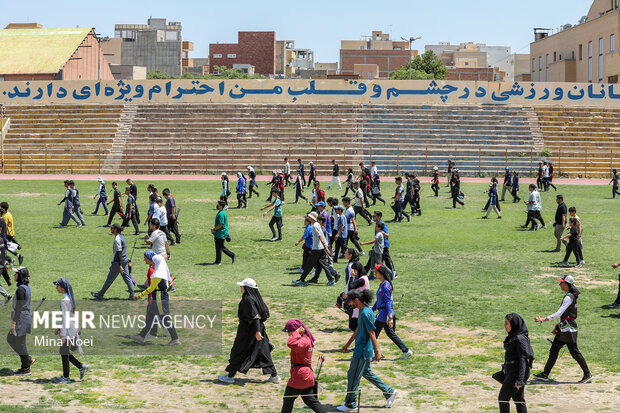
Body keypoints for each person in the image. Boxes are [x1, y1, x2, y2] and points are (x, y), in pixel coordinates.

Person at [337, 289, 397, 411]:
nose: (349, 304)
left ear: (357, 300)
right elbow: (359, 329)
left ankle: (350, 404)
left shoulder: (365, 313)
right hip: (361, 349)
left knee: (353, 375)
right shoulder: (363, 311)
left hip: (362, 351)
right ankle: (389, 391)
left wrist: (377, 351)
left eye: (350, 302)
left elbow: (371, 332)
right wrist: (347, 344)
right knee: (366, 372)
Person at [218, 278, 280, 384]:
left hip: (249, 332)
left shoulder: (248, 300)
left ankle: (230, 376)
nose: (240, 288)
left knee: (238, 351)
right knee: (263, 352)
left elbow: (255, 317)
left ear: (247, 288)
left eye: (242, 286)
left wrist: (257, 332)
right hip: (257, 329)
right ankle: (274, 376)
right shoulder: (253, 298)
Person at [533, 275, 592, 383]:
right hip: (565, 328)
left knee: (574, 352)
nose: (559, 284)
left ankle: (587, 374)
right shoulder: (569, 296)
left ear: (567, 284)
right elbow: (565, 315)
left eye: (562, 283)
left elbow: (559, 313)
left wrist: (543, 319)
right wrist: (557, 326)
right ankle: (545, 374)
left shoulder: (569, 297)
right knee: (554, 351)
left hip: (567, 329)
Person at [129, 250, 179, 345]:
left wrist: (139, 296)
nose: (144, 260)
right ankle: (141, 337)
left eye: (145, 258)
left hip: (159, 297)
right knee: (150, 316)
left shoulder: (157, 273)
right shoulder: (159, 269)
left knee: (165, 318)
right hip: (158, 297)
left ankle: (175, 339)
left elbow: (151, 288)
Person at [280, 319, 327, 413]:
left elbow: (290, 343)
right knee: (310, 400)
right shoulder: (305, 339)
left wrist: (296, 333)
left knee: (288, 400)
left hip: (300, 375)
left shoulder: (303, 341)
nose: (289, 334)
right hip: (306, 375)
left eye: (289, 331)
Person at [51, 278, 88, 383]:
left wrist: (62, 334)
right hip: (71, 328)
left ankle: (66, 377)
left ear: (62, 288)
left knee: (63, 351)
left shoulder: (64, 300)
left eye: (57, 285)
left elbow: (65, 318)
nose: (56, 287)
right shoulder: (69, 298)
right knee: (64, 351)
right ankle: (81, 367)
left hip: (67, 330)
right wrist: (59, 327)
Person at [372, 264, 412, 359]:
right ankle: (406, 350)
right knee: (390, 333)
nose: (375, 274)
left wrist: (390, 318)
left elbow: (387, 303)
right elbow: (379, 300)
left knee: (373, 334)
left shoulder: (385, 286)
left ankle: (368, 354)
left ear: (381, 274)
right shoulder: (383, 284)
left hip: (384, 314)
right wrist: (372, 309)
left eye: (376, 273)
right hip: (383, 313)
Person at [498, 313, 534, 413]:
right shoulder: (512, 336)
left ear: (513, 325)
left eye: (506, 323)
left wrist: (520, 380)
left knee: (503, 398)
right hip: (512, 370)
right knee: (519, 400)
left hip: (517, 373)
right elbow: (510, 355)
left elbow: (523, 360)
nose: (504, 325)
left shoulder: (519, 339)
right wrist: (505, 366)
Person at [91, 223, 135, 300]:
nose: (111, 229)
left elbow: (119, 253)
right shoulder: (122, 236)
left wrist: (120, 265)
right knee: (127, 278)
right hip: (125, 260)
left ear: (115, 230)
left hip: (118, 262)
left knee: (110, 278)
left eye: (112, 228)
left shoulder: (117, 239)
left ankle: (100, 294)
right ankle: (132, 294)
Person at [293, 212, 335, 286]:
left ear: (312, 218)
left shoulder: (314, 226)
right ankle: (331, 279)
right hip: (320, 248)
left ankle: (301, 280)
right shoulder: (317, 224)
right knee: (324, 265)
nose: (308, 217)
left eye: (309, 216)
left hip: (317, 249)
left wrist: (326, 248)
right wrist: (325, 247)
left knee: (309, 265)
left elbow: (320, 237)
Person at [7, 266, 33, 376]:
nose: (14, 275)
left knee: (20, 343)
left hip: (21, 318)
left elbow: (18, 307)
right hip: (24, 316)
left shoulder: (20, 289)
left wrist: (14, 323)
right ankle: (28, 360)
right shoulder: (26, 287)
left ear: (20, 275)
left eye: (16, 273)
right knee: (11, 339)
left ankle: (26, 368)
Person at [211, 200, 236, 265]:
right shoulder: (222, 212)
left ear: (221, 206)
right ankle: (232, 255)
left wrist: (214, 229)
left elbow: (221, 224)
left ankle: (218, 262)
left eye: (218, 205)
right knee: (221, 247)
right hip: (221, 233)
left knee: (219, 248)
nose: (217, 206)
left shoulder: (221, 214)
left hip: (220, 233)